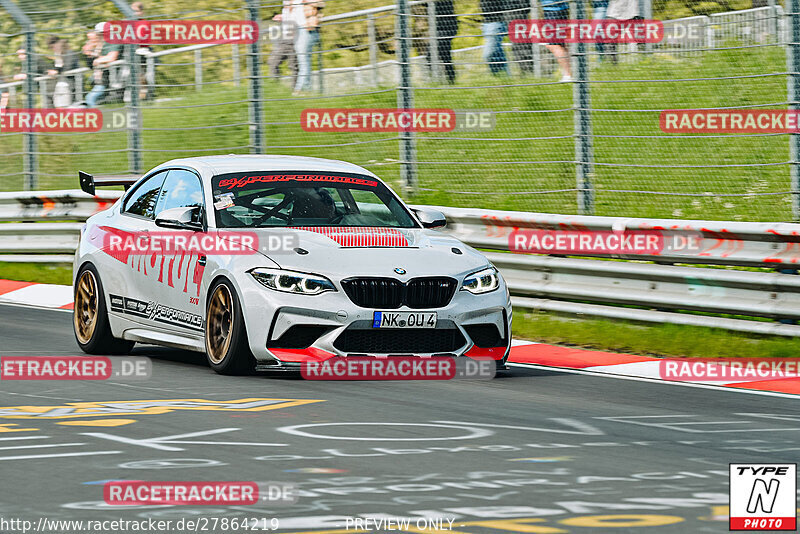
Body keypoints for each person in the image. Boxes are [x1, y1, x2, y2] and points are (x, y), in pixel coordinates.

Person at [84, 22, 122, 107]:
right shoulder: (103, 44)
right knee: (90, 98)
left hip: (113, 79)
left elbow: (111, 57)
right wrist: (89, 54)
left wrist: (98, 61)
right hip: (103, 79)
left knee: (90, 98)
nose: (98, 36)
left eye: (100, 34)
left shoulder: (114, 40)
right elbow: (92, 65)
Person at [293, 0, 324, 95]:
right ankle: (306, 89)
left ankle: (299, 90)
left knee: (303, 61)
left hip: (306, 30)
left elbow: (321, 4)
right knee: (304, 61)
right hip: (298, 29)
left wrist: (312, 14)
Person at [268, 0, 299, 87]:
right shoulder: (285, 10)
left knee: (294, 66)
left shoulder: (298, 10)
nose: (286, 4)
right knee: (273, 62)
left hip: (295, 41)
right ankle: (276, 86)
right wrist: (281, 17)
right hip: (284, 41)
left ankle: (295, 89)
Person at [540, 0, 572, 81]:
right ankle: (568, 73)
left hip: (553, 10)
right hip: (559, 9)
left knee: (554, 45)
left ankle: (567, 75)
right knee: (560, 44)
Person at [46, 36, 80, 107]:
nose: (53, 49)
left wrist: (57, 71)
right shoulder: (58, 56)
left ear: (59, 44)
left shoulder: (69, 53)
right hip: (60, 85)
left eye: (53, 47)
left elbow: (68, 67)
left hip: (69, 84)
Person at [480, 0, 509, 76]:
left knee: (488, 54)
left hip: (496, 23)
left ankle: (501, 76)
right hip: (486, 23)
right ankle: (503, 77)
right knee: (498, 53)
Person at [507, 0, 534, 75]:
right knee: (516, 44)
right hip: (508, 12)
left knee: (522, 43)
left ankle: (529, 70)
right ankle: (523, 70)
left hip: (518, 12)